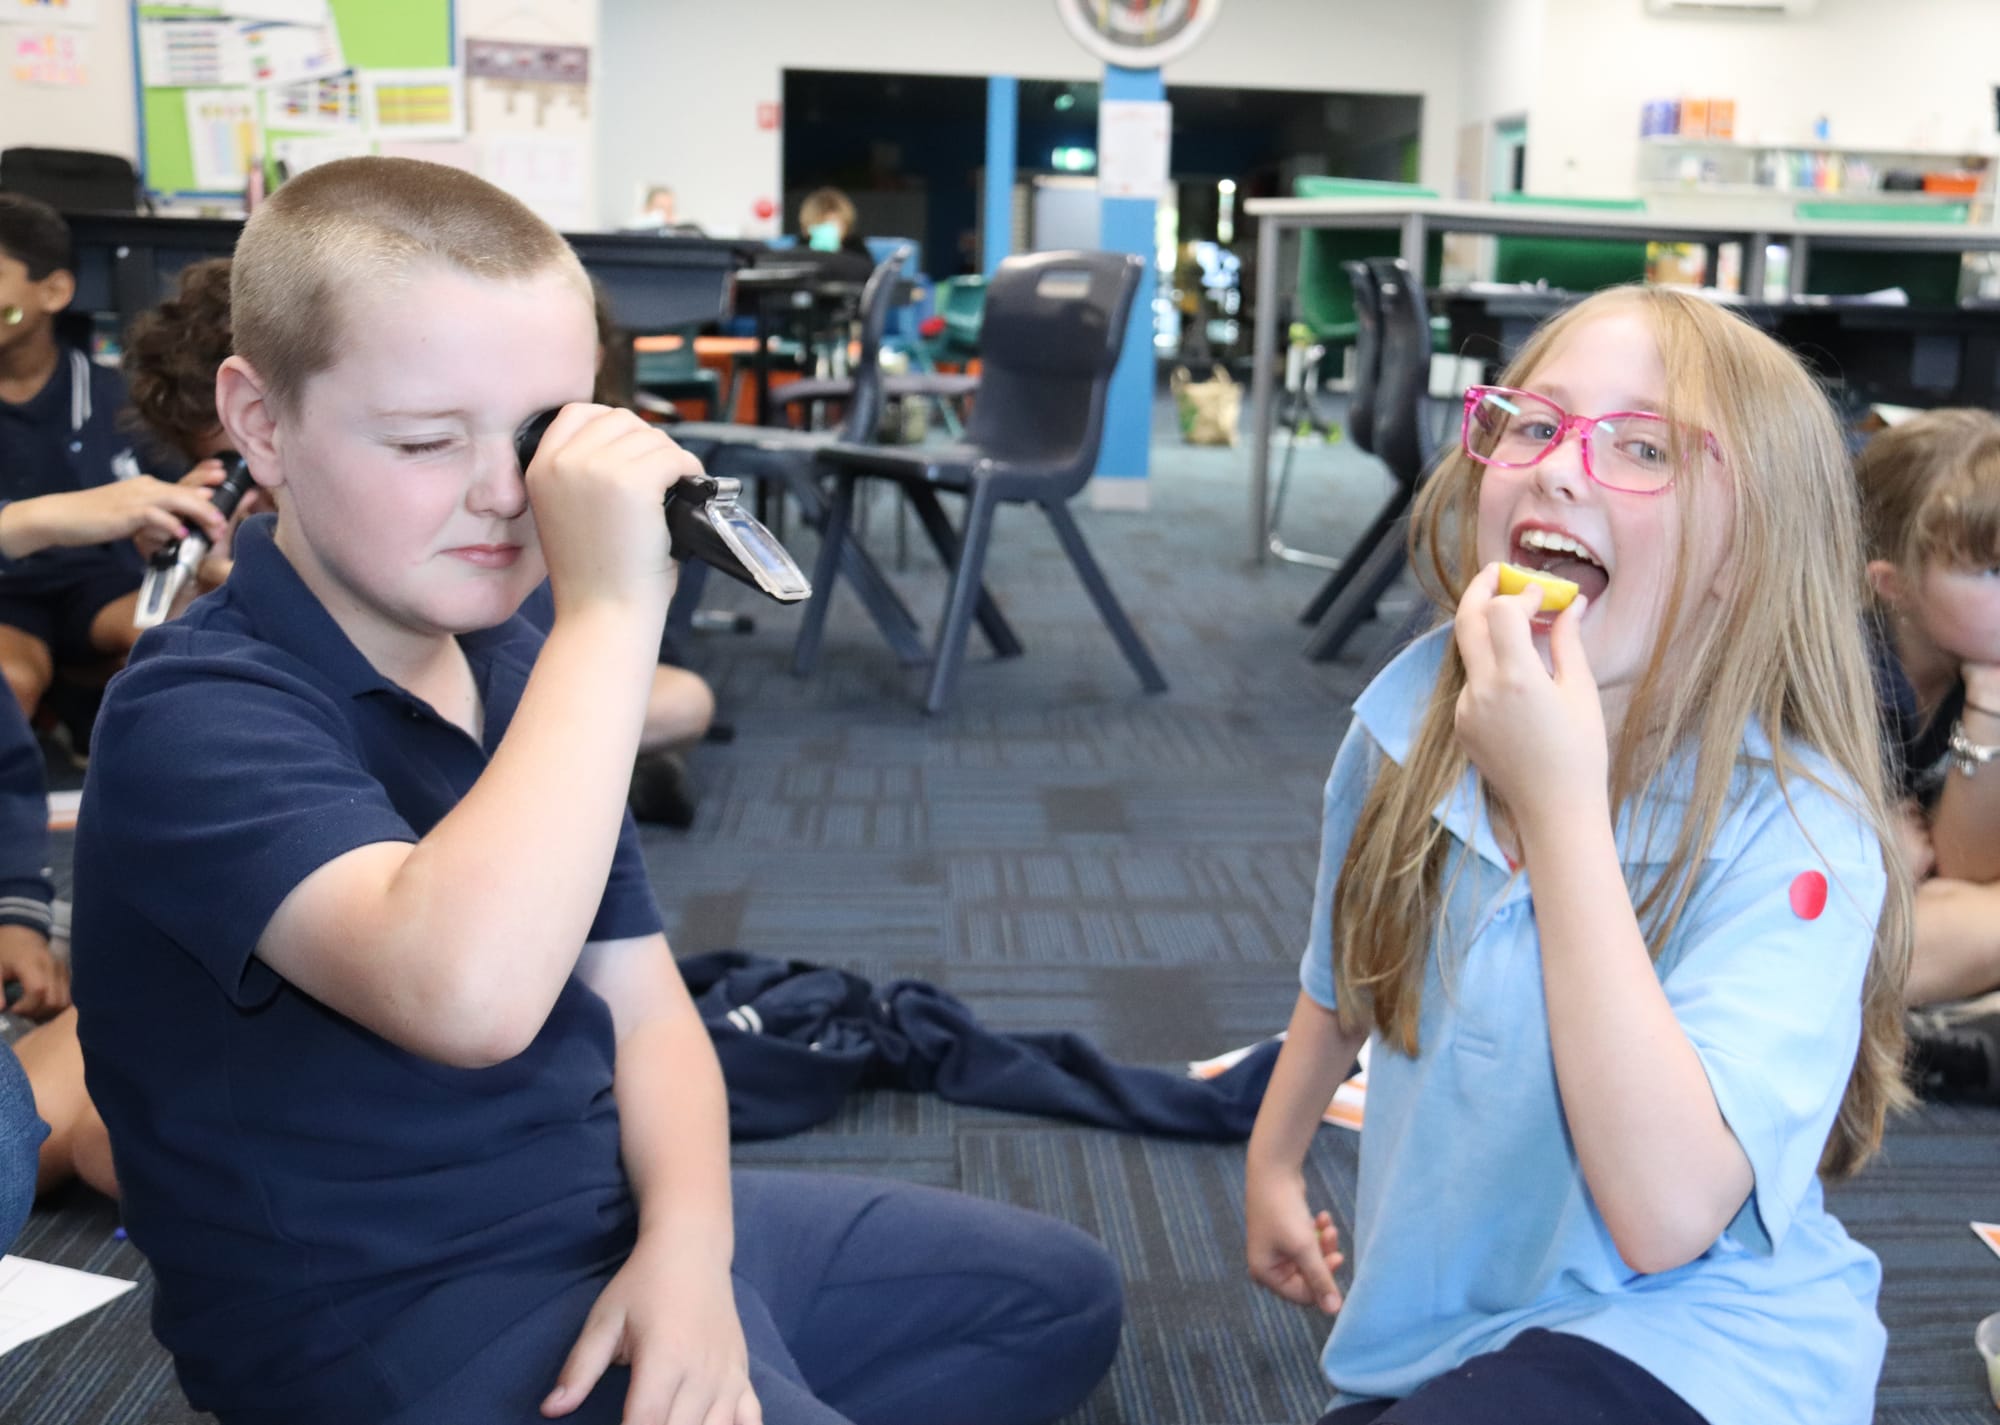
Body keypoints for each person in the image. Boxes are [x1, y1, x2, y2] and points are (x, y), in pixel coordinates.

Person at [71, 156, 1120, 1425]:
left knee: (1052, 1297)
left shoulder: (516, 659)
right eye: (420, 440)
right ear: (260, 424)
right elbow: (466, 995)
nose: (505, 497)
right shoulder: (193, 714)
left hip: (591, 1224)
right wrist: (613, 612)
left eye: (540, 440)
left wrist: (687, 1261)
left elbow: (644, 1006)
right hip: (389, 1325)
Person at [1244, 286, 1909, 1425]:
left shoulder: (1795, 834)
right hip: (1444, 1333)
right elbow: (1348, 967)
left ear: (1743, 555)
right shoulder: (1406, 723)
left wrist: (1558, 811)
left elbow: (1663, 1212)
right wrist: (1272, 1157)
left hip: (1702, 1338)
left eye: (1642, 447)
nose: (1557, 469)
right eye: (1533, 424)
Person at [0, 194, 200, 723]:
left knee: (178, 643)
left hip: (101, 584)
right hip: (7, 596)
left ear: (55, 291)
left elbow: (185, 499)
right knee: (10, 682)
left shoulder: (121, 400)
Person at [1852, 410, 2000, 1093]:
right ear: (1895, 586)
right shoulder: (1850, 672)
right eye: (1992, 572)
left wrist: (1989, 699)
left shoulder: (1971, 665)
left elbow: (1964, 869)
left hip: (1903, 921)